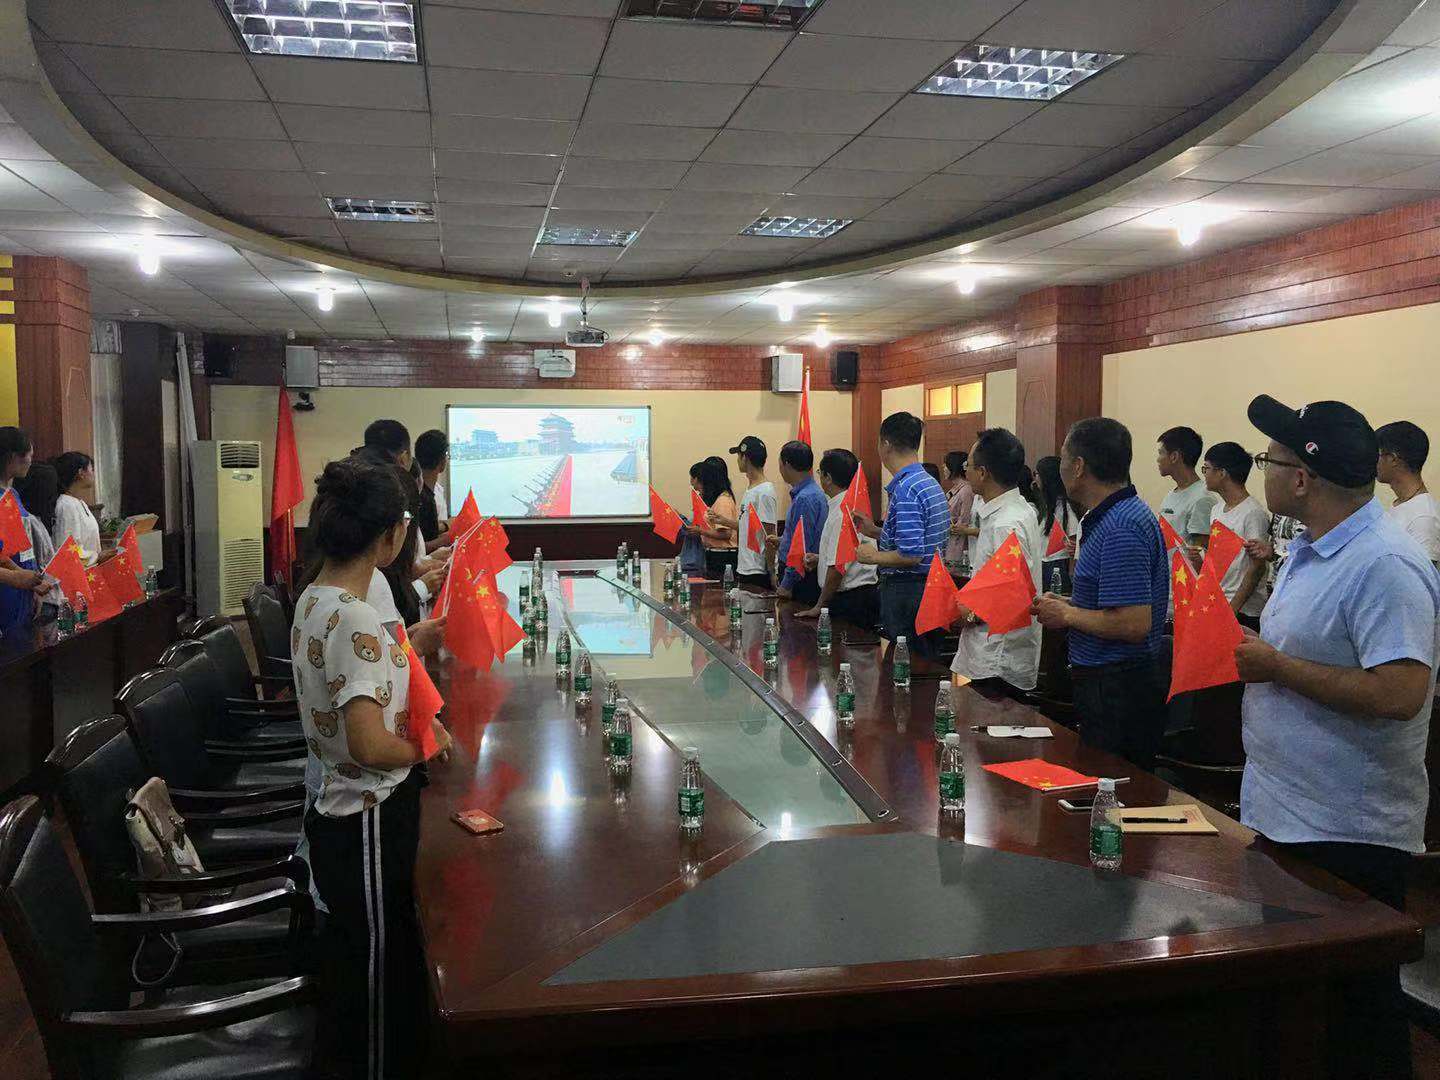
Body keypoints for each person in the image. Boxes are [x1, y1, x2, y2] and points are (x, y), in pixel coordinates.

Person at [1235, 395, 1439, 1079]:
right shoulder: (1311, 549)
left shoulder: (1385, 564)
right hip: (1288, 812)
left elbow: (1401, 693)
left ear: (1301, 479)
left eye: (1268, 460)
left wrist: (1276, 667)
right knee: (1301, 1008)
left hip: (1348, 829)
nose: (1262, 469)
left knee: (1357, 1016)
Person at [293, 458, 451, 1080]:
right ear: (389, 536)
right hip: (367, 816)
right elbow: (368, 744)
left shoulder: (316, 596)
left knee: (365, 952)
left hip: (337, 807)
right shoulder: (356, 615)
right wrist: (426, 746)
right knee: (379, 967)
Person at [1033, 418, 1169, 767]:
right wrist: (1068, 603)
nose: (1060, 466)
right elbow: (1110, 604)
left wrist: (1066, 614)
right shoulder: (1110, 516)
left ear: (1078, 466)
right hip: (1107, 681)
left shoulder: (1122, 524)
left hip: (1118, 685)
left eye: (1063, 457)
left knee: (1114, 783)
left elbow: (1133, 623)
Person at [951, 428, 1044, 694]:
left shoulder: (1006, 523)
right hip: (993, 651)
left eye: (968, 466)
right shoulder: (1015, 509)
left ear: (983, 472)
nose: (965, 471)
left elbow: (1009, 597)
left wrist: (965, 614)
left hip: (998, 657)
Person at [854, 412, 951, 657]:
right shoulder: (928, 482)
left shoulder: (906, 489)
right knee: (924, 664)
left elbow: (911, 555)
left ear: (885, 444)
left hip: (908, 592)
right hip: (930, 588)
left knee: (904, 665)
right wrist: (876, 531)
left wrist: (871, 556)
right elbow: (922, 540)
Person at [796, 449, 878, 628]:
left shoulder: (841, 512)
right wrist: (821, 559)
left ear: (828, 478)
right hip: (857, 596)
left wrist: (819, 606)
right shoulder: (848, 504)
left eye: (820, 473)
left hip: (851, 599)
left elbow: (837, 568)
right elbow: (848, 556)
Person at [1200, 442, 1271, 630]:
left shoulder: (1253, 513)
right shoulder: (1216, 510)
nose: (1204, 474)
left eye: (1206, 468)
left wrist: (1232, 610)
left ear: (1222, 473)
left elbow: (1257, 568)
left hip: (1243, 612)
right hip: (1217, 603)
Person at [710, 436, 777, 588]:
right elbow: (749, 527)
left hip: (758, 569)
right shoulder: (751, 489)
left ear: (745, 457)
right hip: (745, 566)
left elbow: (769, 535)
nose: (738, 460)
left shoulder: (764, 492)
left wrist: (772, 572)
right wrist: (723, 521)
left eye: (738, 456)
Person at [771, 441, 827, 605]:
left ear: (787, 464)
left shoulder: (804, 498)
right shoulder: (813, 493)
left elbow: (802, 546)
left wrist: (787, 584)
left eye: (780, 464)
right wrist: (783, 541)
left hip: (799, 578)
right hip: (804, 573)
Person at [0, 428, 45, 636]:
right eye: (29, 456)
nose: (30, 462)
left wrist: (31, 583)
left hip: (22, 585)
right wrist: (15, 577)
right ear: (12, 457)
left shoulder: (13, 494)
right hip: (6, 590)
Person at [1376, 420, 1440, 565]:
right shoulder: (1402, 505)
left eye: (1376, 455)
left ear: (1392, 459)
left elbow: (1421, 576)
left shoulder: (1423, 517)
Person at [1156, 426, 1215, 558]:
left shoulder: (1202, 498)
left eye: (1161, 453)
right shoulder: (1170, 495)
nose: (1158, 459)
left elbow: (1200, 557)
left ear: (1174, 457)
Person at [1035, 454, 1080, 590]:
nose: (1035, 478)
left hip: (1056, 567)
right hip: (1041, 564)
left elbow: (1073, 546)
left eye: (1037, 474)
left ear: (1047, 478)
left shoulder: (1066, 510)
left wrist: (1072, 575)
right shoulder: (1045, 506)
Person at [53, 450, 102, 566]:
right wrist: (97, 556)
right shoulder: (66, 505)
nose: (93, 474)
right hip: (79, 571)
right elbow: (67, 549)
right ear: (81, 473)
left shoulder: (79, 502)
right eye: (91, 469)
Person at [692, 458, 738, 581]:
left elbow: (726, 534)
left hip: (723, 556)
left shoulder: (723, 501)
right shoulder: (716, 499)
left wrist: (700, 531)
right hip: (715, 555)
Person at [413, 429, 450, 553]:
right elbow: (415, 548)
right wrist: (446, 539)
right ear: (442, 463)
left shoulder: (433, 491)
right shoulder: (422, 497)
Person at [941, 450, 976, 568]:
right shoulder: (954, 489)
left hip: (958, 550)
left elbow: (964, 522)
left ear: (954, 466)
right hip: (949, 545)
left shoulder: (966, 491)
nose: (943, 467)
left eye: (946, 464)